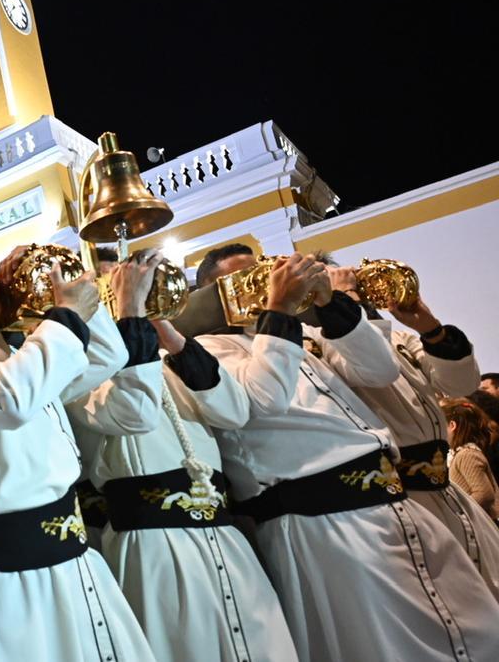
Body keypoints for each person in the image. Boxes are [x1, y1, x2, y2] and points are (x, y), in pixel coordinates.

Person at [196, 246, 499, 662]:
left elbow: (380, 370)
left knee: (474, 625)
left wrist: (330, 302)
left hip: (398, 503)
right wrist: (279, 308)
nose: (269, 282)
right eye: (248, 279)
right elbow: (262, 398)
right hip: (329, 519)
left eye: (269, 272)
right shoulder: (209, 348)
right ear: (212, 293)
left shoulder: (309, 335)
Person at [0, 240, 155, 662]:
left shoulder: (14, 349)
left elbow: (109, 354)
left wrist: (67, 293)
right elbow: (6, 400)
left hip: (65, 557)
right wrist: (64, 316)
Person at [68, 254, 298, 662]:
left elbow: (234, 411)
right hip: (151, 543)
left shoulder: (167, 358)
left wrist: (173, 340)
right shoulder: (77, 371)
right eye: (113, 287)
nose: (129, 289)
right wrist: (129, 315)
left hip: (222, 533)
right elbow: (130, 414)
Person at [342, 272, 499, 599]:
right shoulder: (320, 345)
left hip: (447, 491)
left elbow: (460, 385)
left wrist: (430, 327)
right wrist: (343, 307)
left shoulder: (398, 338)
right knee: (452, 598)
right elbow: (375, 370)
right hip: (401, 498)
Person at [442, 399, 499, 520]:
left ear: (452, 426)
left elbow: (484, 494)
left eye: (442, 425)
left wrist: (459, 513)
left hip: (485, 524)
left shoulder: (467, 454)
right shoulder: (461, 453)